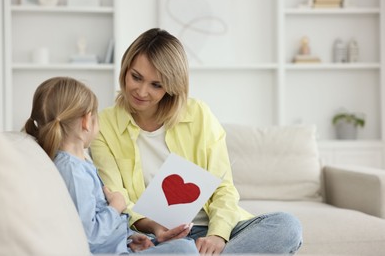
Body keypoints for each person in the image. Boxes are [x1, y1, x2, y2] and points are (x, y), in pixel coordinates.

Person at [90, 28, 303, 255]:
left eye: (156, 85)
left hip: (212, 228)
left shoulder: (198, 114)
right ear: (125, 70)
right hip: (155, 236)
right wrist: (155, 227)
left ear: (172, 87)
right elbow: (117, 197)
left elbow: (223, 186)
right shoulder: (104, 125)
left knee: (287, 227)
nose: (142, 91)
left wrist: (218, 235)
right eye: (136, 77)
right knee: (182, 250)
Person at [23, 76, 198, 255]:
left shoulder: (77, 163)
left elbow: (94, 218)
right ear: (86, 121)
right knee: (185, 249)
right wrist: (116, 205)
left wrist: (129, 238)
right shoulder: (73, 172)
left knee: (184, 245)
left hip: (119, 246)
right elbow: (89, 235)